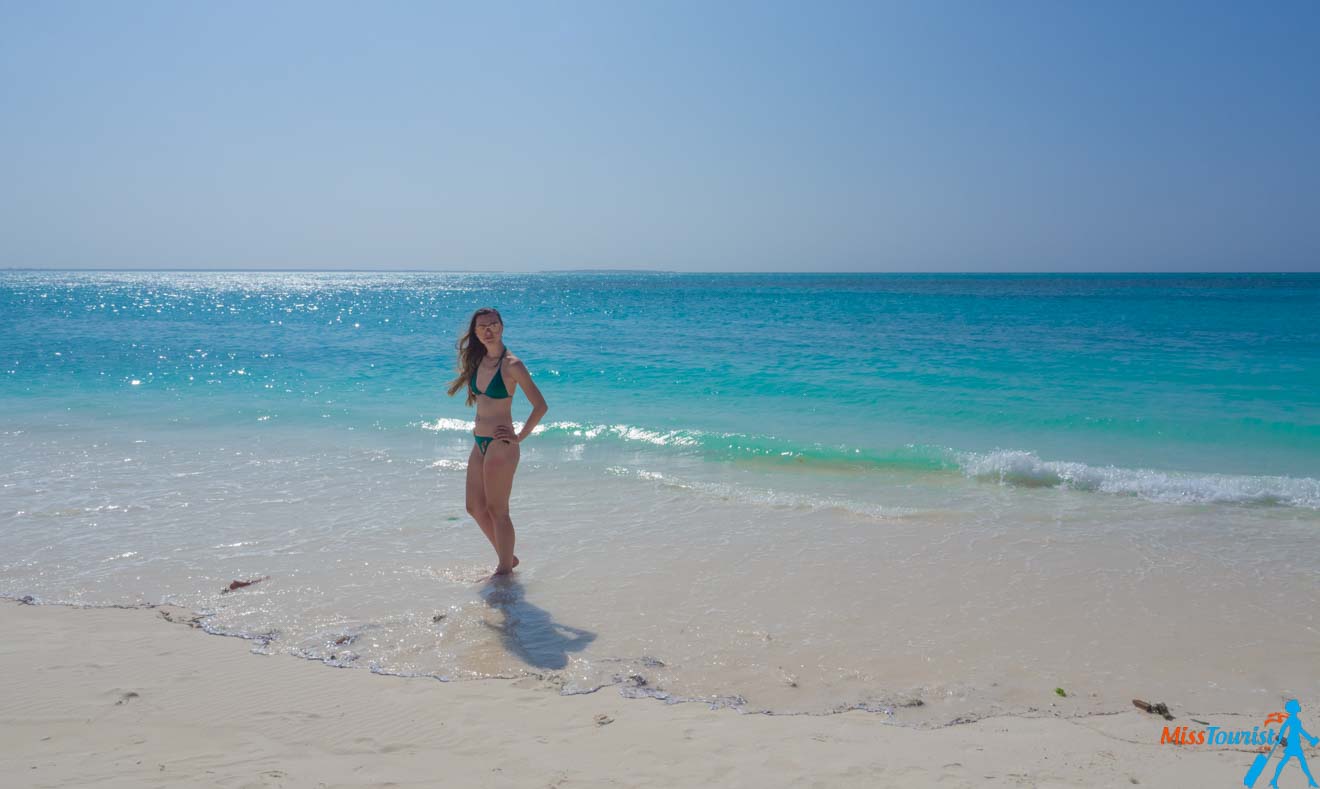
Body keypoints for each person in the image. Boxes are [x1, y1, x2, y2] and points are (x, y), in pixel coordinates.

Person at [446, 308, 548, 576]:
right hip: (479, 441)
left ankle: (504, 573)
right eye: (482, 327)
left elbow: (540, 406)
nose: (488, 330)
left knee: (497, 510)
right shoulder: (478, 361)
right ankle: (507, 559)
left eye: (493, 325)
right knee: (474, 507)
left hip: (500, 446)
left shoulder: (512, 365)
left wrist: (519, 437)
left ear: (502, 327)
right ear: (475, 332)